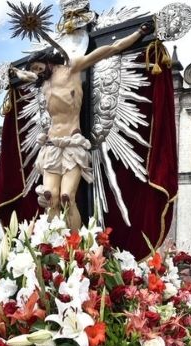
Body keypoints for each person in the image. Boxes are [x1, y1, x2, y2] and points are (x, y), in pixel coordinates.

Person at [12, 22, 155, 230]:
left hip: (73, 143)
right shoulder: (43, 80)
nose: (36, 71)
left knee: (66, 197)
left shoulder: (72, 69)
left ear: (48, 61)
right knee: (49, 198)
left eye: (38, 66)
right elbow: (24, 76)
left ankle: (74, 247)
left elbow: (111, 50)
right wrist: (12, 71)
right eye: (33, 69)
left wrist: (139, 33)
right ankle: (52, 248)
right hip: (51, 145)